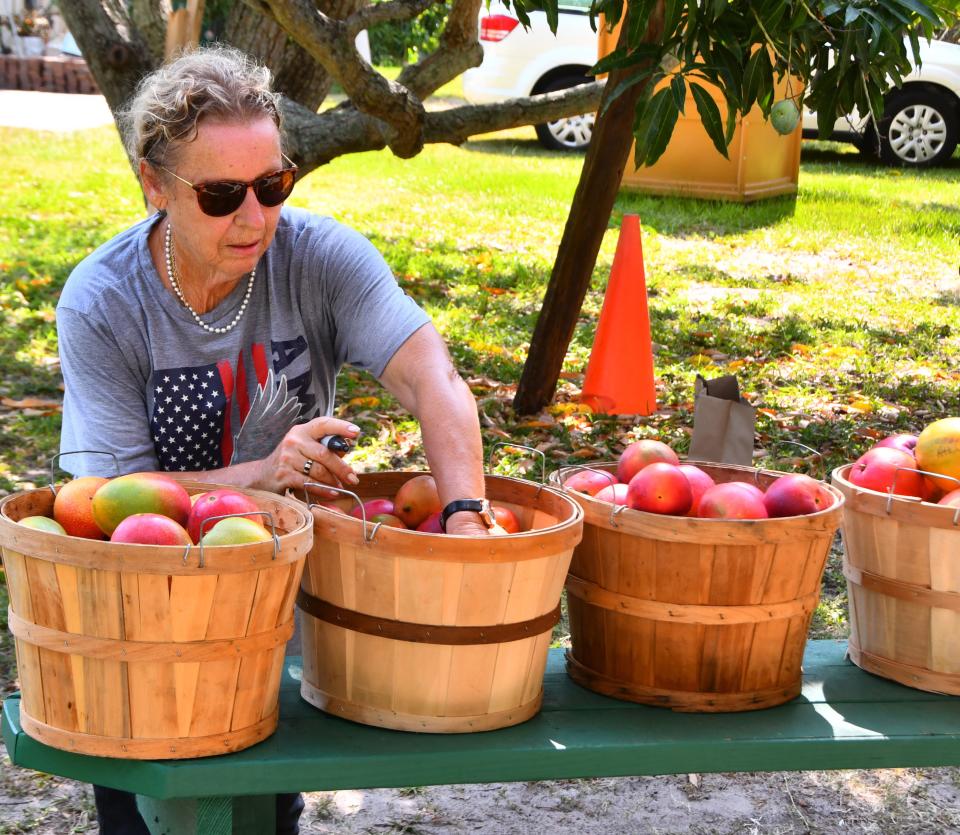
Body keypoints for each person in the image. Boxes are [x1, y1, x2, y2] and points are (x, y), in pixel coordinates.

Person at [56, 45, 494, 835]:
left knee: (264, 796)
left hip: (270, 599)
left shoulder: (321, 258)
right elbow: (114, 515)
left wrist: (464, 510)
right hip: (139, 614)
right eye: (222, 194)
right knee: (148, 806)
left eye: (272, 185)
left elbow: (435, 380)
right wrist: (264, 472)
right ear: (153, 184)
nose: (255, 218)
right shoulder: (102, 301)